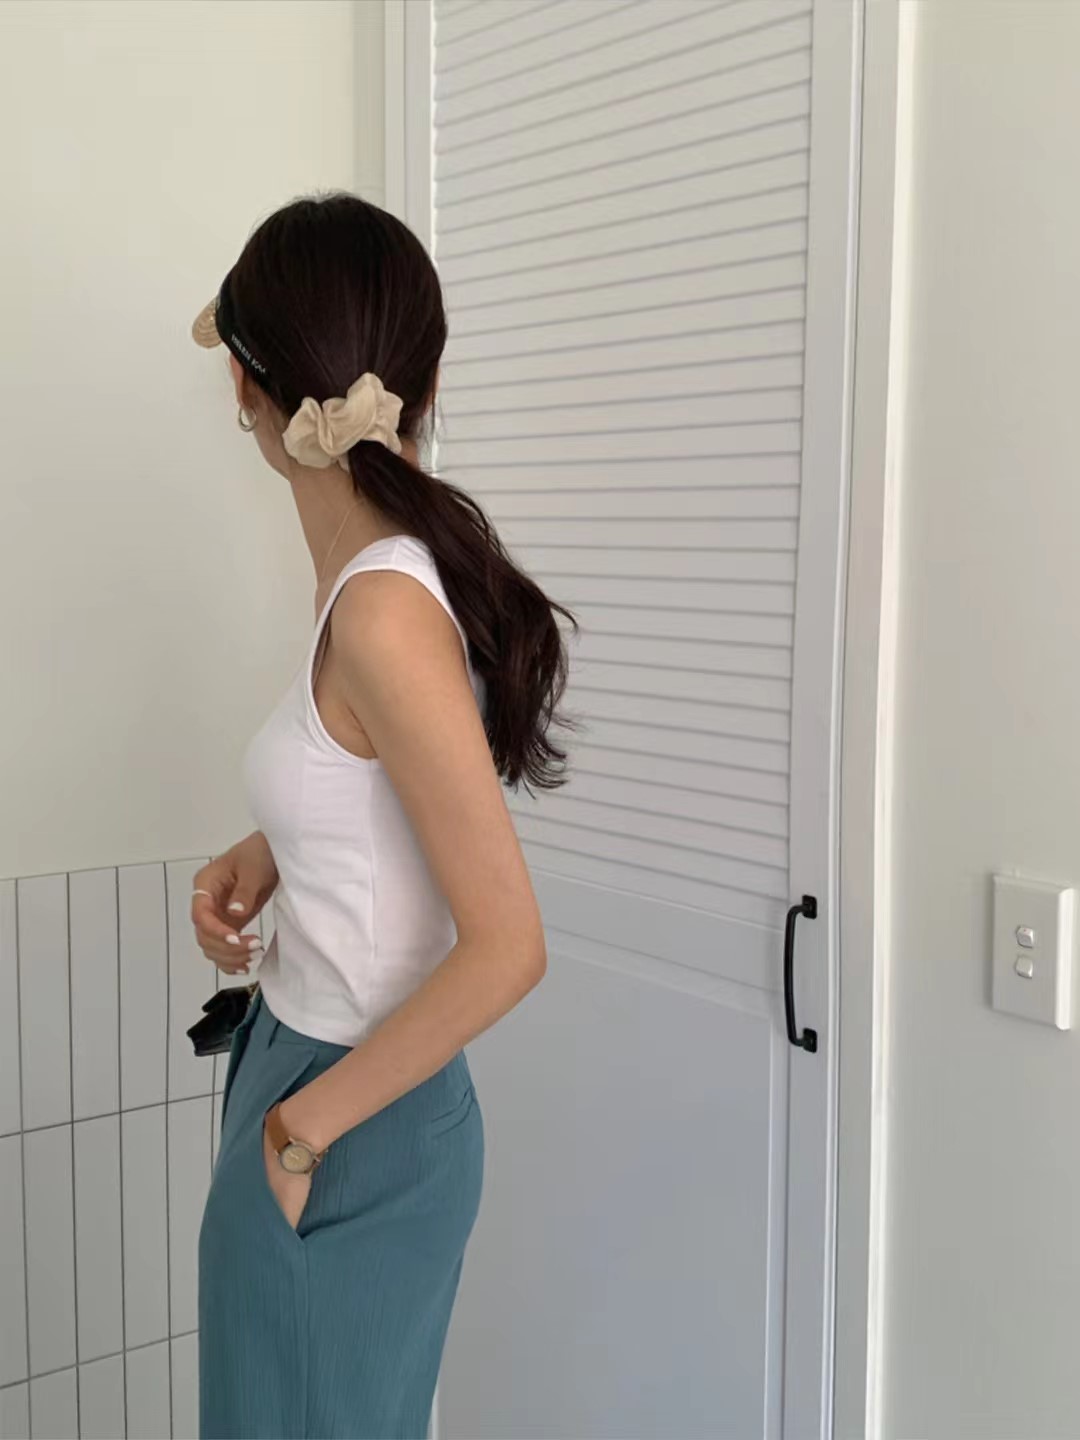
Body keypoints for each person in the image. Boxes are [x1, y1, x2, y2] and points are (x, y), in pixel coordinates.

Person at [189, 191, 579, 1440]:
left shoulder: (382, 609)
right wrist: (276, 847)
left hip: (348, 1106)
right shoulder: (371, 576)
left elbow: (509, 946)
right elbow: (379, 786)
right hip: (312, 1074)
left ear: (247, 391)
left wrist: (300, 1135)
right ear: (426, 381)